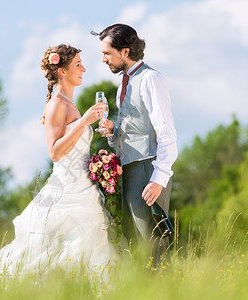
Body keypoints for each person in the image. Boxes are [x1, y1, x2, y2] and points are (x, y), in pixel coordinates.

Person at [0, 44, 117, 281]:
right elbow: (56, 153)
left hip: (84, 188)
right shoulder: (57, 104)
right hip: (66, 192)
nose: (84, 69)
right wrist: (85, 121)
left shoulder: (70, 104)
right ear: (62, 71)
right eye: (78, 65)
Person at [97, 24, 178, 262]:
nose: (103, 59)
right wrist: (114, 131)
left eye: (106, 53)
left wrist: (158, 178)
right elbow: (137, 130)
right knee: (137, 249)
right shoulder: (127, 81)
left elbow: (166, 131)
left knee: (153, 249)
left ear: (125, 51)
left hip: (146, 170)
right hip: (130, 169)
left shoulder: (150, 78)